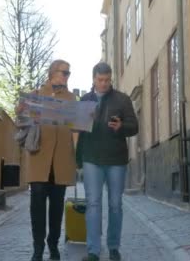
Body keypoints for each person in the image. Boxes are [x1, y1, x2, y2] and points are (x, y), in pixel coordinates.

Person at [16, 60, 78, 261]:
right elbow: (20, 118)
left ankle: (53, 244)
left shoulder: (71, 98)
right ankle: (37, 247)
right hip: (39, 158)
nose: (67, 76)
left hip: (61, 160)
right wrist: (22, 107)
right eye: (64, 72)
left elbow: (77, 127)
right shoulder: (36, 94)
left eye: (69, 73)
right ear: (52, 72)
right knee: (37, 206)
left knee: (57, 207)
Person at [76, 62, 139, 261]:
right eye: (100, 80)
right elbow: (79, 132)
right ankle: (93, 250)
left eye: (107, 80)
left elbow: (134, 126)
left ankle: (113, 247)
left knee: (115, 204)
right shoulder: (85, 100)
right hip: (92, 159)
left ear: (111, 79)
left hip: (116, 160)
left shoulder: (122, 99)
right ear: (94, 79)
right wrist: (78, 159)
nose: (104, 84)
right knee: (93, 203)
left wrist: (121, 126)